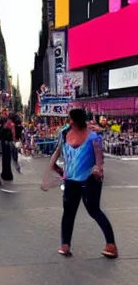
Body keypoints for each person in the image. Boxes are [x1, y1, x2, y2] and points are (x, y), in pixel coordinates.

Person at [42, 109, 117, 259]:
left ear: (75, 120)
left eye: (69, 119)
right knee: (68, 212)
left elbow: (99, 157)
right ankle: (65, 244)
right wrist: (51, 169)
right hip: (70, 180)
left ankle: (111, 245)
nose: (67, 121)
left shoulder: (93, 137)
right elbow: (58, 151)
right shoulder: (64, 134)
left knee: (94, 210)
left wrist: (98, 169)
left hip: (89, 180)